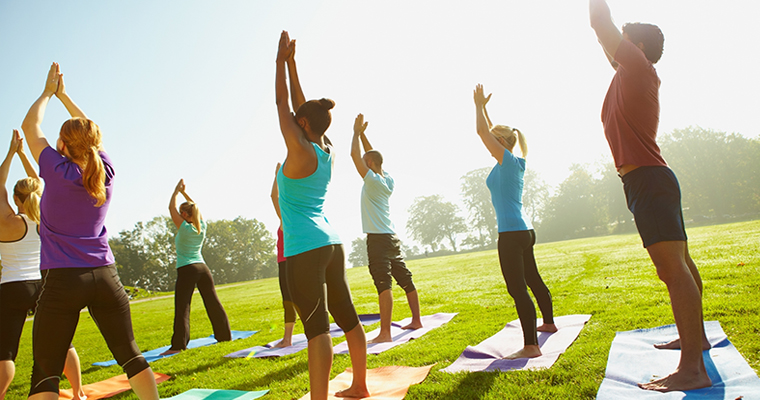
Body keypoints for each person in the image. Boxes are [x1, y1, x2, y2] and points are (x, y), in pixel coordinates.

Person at [589, 0, 712, 392]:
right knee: (682, 266)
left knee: (672, 270)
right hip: (649, 180)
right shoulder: (629, 73)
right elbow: (602, 35)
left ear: (636, 47)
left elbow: (599, 22)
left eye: (622, 42)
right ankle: (698, 340)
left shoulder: (639, 67)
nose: (615, 49)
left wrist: (602, 20)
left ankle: (692, 368)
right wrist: (606, 34)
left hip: (649, 180)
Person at [20, 62, 159, 400]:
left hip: (64, 280)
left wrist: (47, 93)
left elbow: (29, 125)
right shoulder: (106, 171)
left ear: (63, 147)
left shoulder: (57, 169)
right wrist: (66, 97)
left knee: (45, 373)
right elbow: (93, 136)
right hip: (105, 277)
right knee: (131, 356)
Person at [275, 31, 368, 399]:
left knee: (316, 329)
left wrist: (278, 62)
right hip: (332, 243)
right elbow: (300, 106)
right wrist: (293, 63)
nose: (296, 119)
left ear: (304, 124)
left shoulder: (299, 149)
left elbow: (283, 103)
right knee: (347, 317)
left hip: (304, 247)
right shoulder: (324, 147)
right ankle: (359, 386)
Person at [473, 84, 557, 360]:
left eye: (495, 142)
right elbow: (491, 132)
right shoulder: (512, 161)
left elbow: (483, 133)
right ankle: (548, 322)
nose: (489, 145)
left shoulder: (508, 162)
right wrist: (485, 108)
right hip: (524, 230)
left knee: (517, 288)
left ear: (502, 144)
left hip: (511, 233)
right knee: (531, 278)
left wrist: (476, 106)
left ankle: (531, 345)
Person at [0, 131, 85, 400]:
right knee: (63, 343)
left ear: (15, 199)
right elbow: (41, 183)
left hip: (11, 289)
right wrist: (25, 154)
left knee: (5, 352)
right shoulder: (47, 218)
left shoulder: (8, 222)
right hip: (45, 285)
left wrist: (11, 153)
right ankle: (79, 392)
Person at [349, 113, 422, 343]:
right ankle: (416, 320)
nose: (363, 161)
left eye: (365, 161)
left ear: (369, 164)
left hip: (378, 239)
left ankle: (385, 333)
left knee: (383, 282)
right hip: (392, 236)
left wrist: (354, 133)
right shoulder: (387, 179)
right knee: (404, 277)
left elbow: (355, 155)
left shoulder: (371, 180)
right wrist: (363, 135)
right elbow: (372, 157)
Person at [162, 179, 231, 355]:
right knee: (213, 303)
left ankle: (178, 345)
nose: (178, 214)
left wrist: (176, 192)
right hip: (203, 268)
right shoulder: (202, 226)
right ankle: (224, 336)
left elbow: (171, 208)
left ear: (185, 214)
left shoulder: (184, 228)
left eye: (180, 212)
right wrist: (185, 193)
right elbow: (195, 209)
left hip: (187, 269)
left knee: (182, 307)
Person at [270, 163, 297, 348]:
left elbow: (273, 196)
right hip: (293, 261)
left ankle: (287, 339)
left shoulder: (286, 217)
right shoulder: (291, 217)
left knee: (290, 300)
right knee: (295, 300)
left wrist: (277, 175)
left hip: (288, 262)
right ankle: (288, 338)